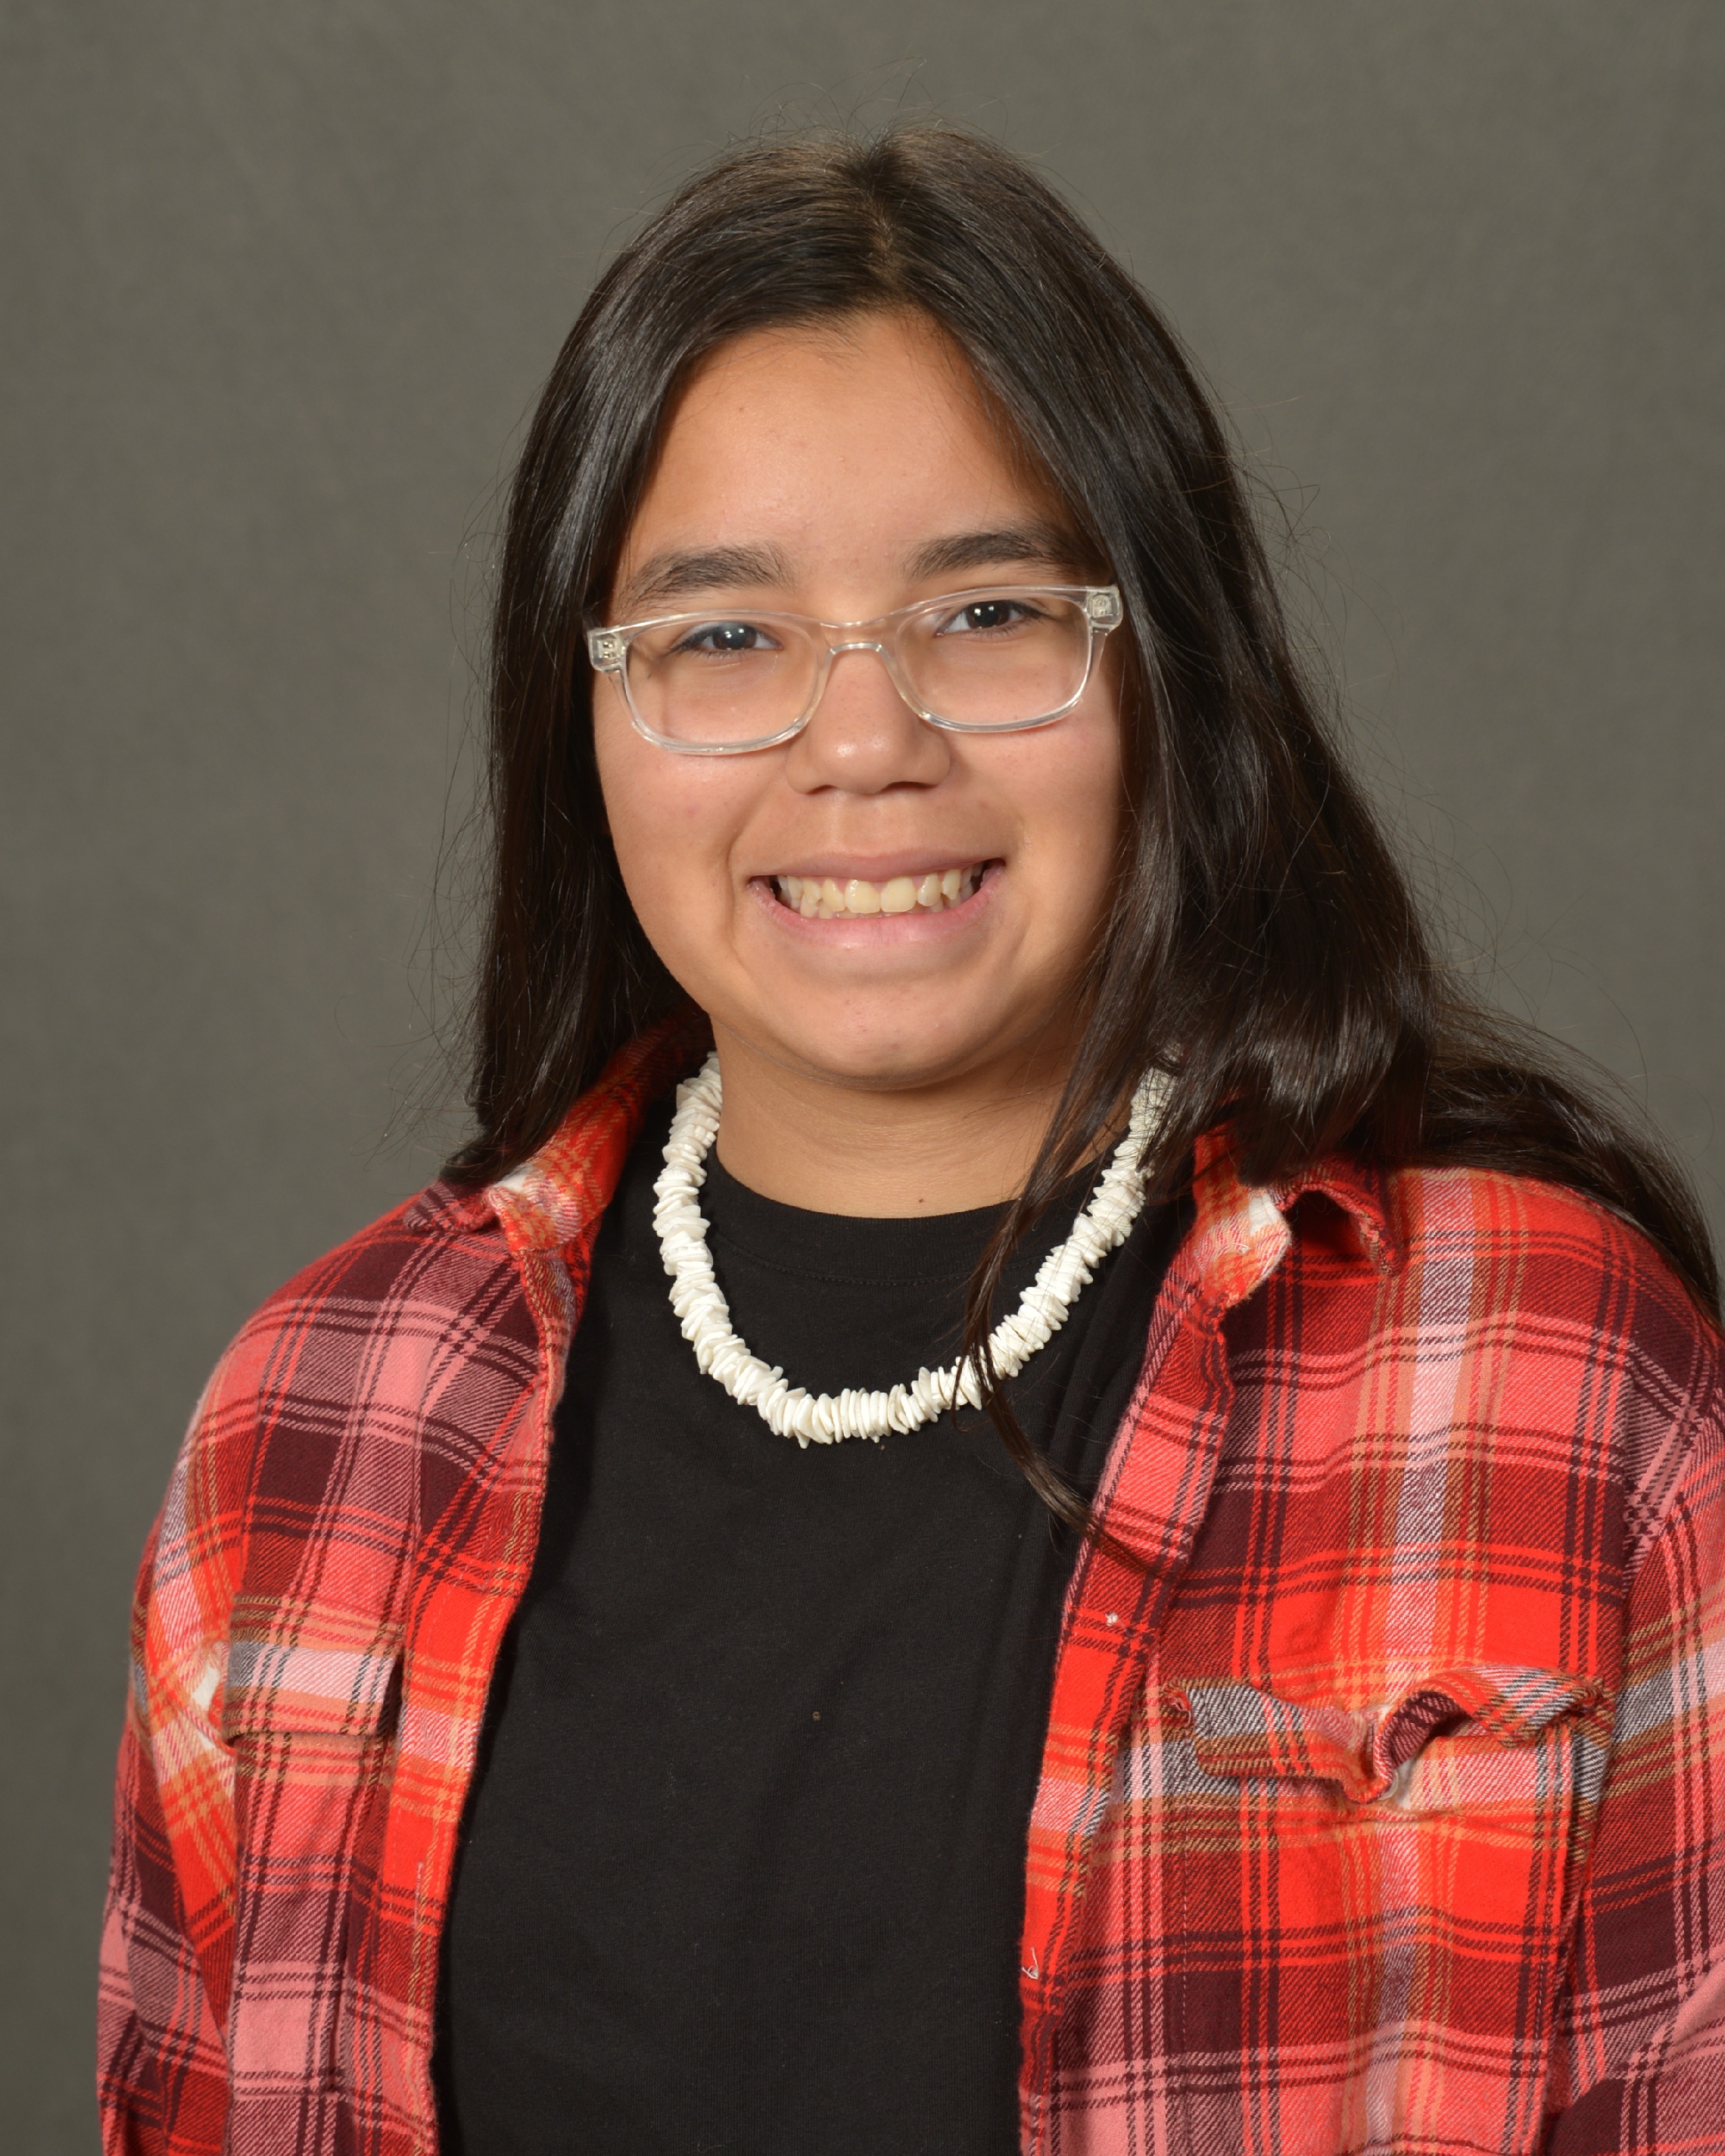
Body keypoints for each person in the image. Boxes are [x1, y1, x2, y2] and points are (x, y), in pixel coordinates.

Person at [98, 123, 1725, 2156]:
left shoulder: (1542, 1373)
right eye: (722, 637)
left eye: (988, 614)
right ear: (580, 718)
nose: (865, 745)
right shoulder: (317, 1429)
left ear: (1166, 667)